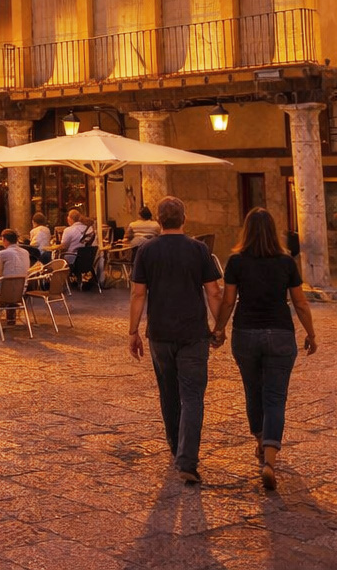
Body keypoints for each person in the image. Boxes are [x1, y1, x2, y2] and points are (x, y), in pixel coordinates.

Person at [212, 207, 318, 490]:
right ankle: (270, 460)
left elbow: (228, 301)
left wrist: (219, 329)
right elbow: (300, 303)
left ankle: (260, 440)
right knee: (275, 396)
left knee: (253, 390)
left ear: (246, 231)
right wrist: (311, 333)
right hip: (280, 333)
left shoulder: (236, 261)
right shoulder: (285, 262)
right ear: (274, 231)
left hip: (246, 333)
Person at [128, 196, 223, 486]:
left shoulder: (146, 251)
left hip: (160, 333)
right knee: (192, 396)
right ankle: (188, 460)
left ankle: (175, 447)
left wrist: (133, 331)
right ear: (185, 218)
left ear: (159, 220)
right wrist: (219, 327)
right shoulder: (199, 249)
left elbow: (138, 294)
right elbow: (214, 292)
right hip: (193, 333)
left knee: (168, 392)